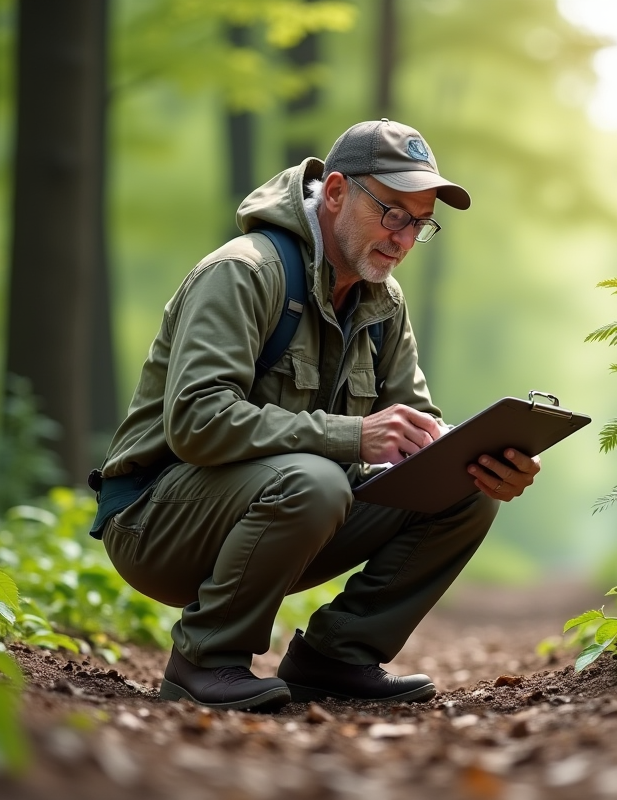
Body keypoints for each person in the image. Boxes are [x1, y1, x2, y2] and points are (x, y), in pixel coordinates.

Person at [87, 119, 541, 712]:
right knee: (319, 478)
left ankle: (336, 658)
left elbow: (415, 426)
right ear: (334, 193)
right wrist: (354, 436)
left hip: (289, 516)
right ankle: (204, 660)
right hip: (159, 524)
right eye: (393, 213)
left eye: (420, 222)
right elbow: (197, 419)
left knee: (464, 489)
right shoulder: (245, 272)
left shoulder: (384, 303)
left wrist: (472, 458)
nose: (404, 238)